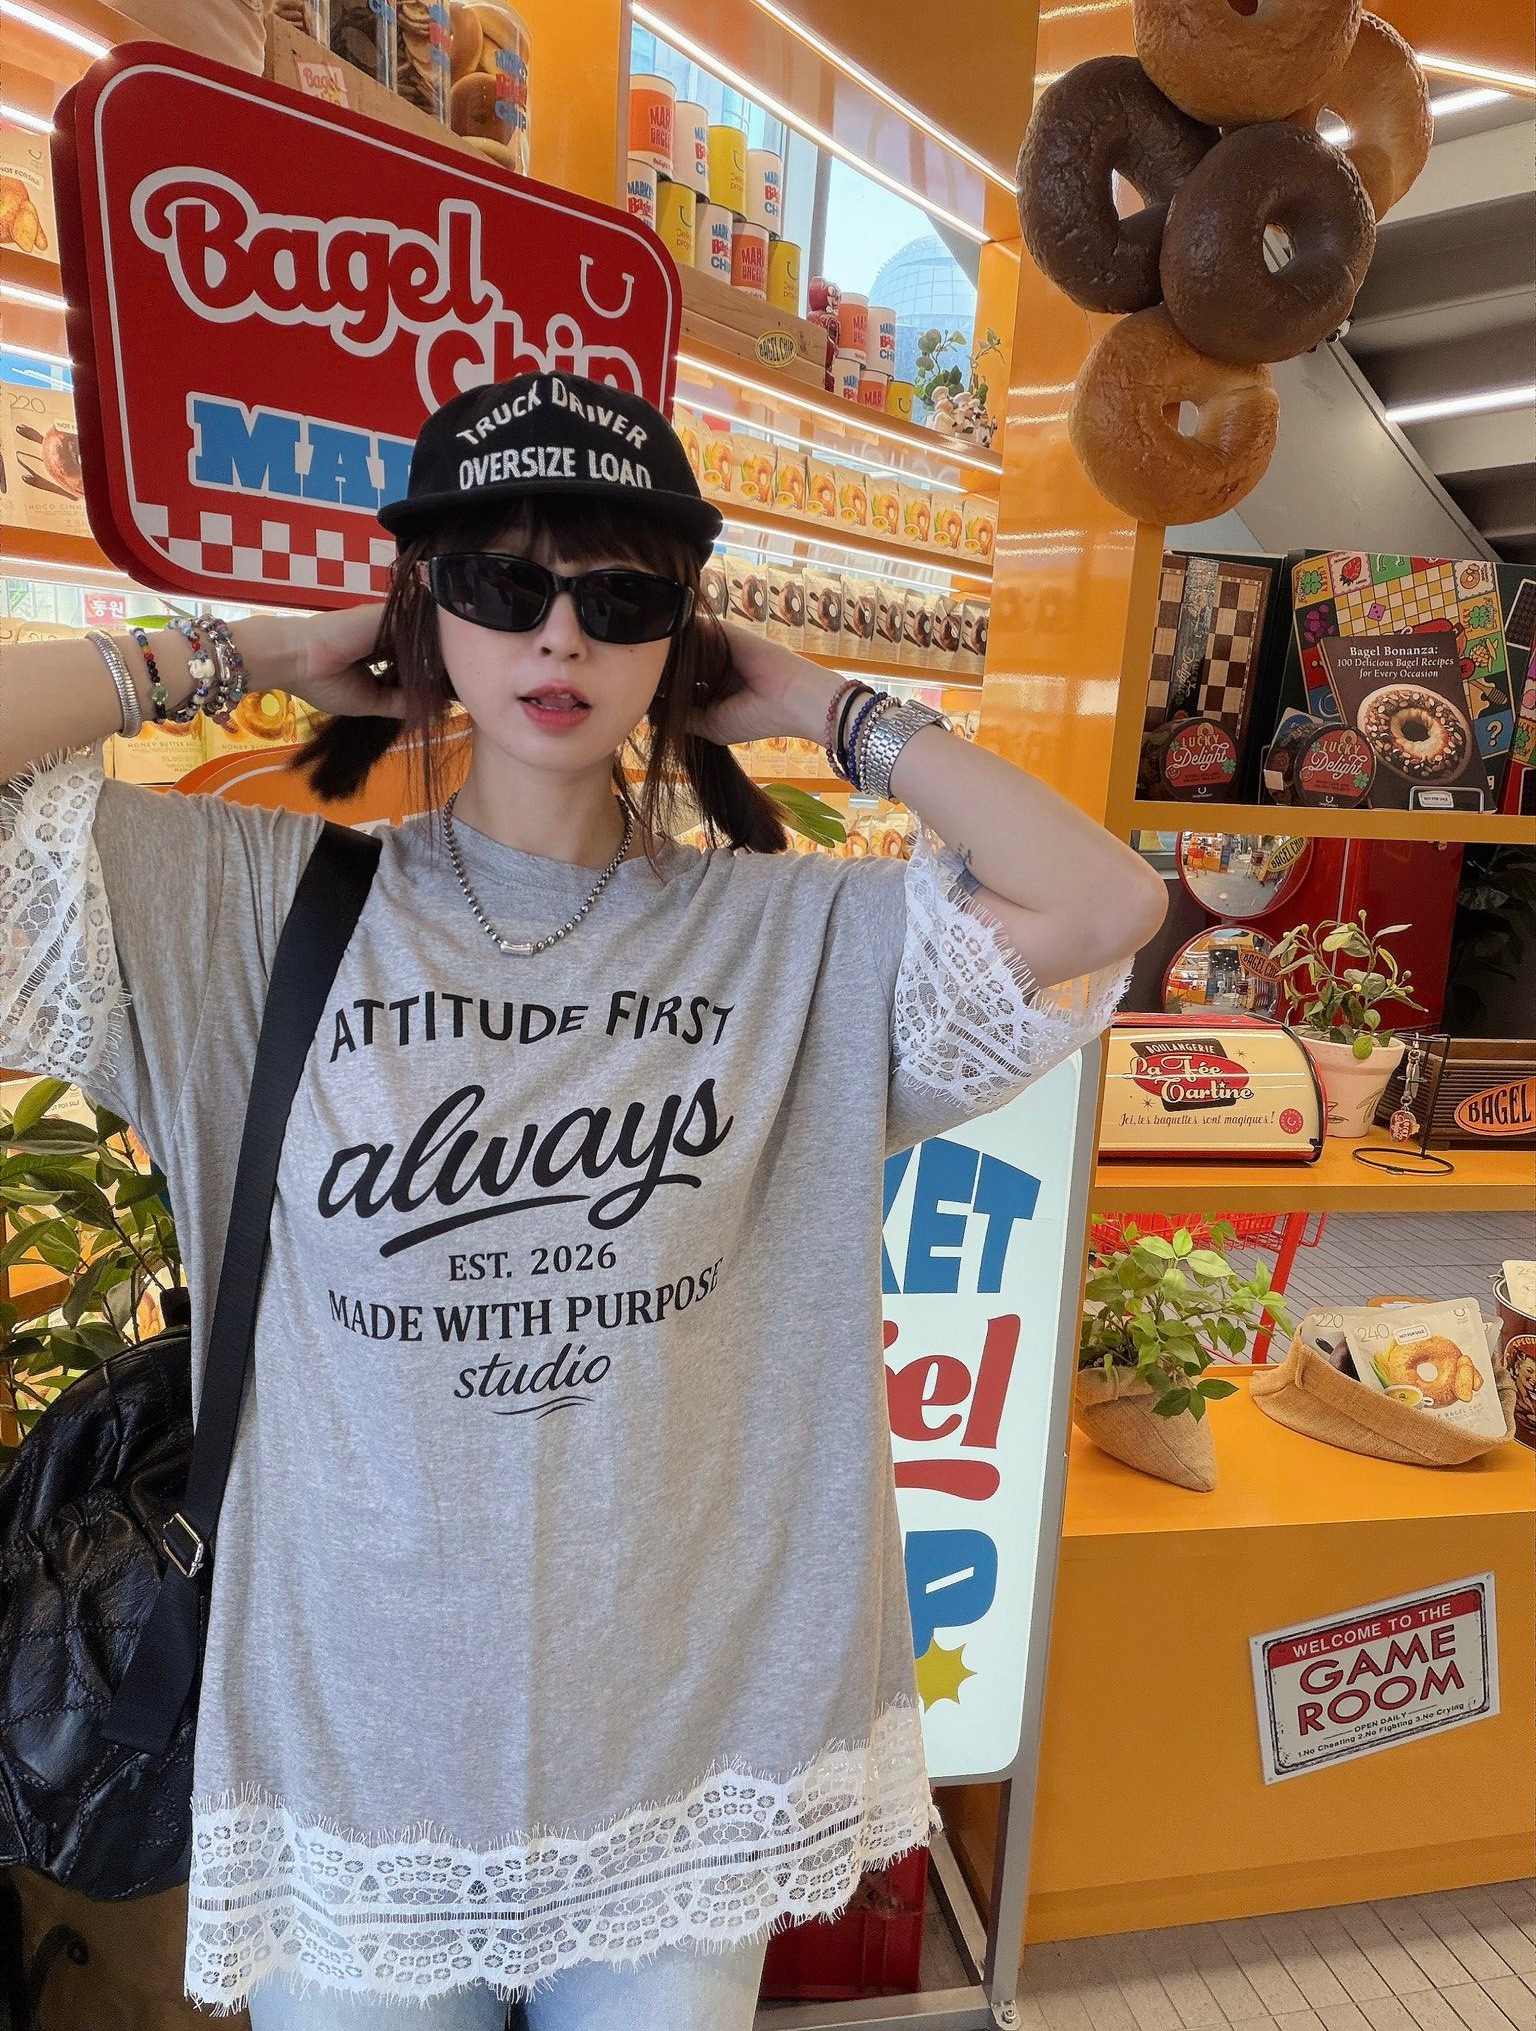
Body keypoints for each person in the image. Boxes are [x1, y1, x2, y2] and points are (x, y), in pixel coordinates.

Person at [0, 374, 1165, 2028]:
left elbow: (1103, 899)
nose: (559, 634)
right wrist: (239, 652)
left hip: (685, 1749)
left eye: (622, 596)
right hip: (359, 1750)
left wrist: (825, 704)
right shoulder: (245, 908)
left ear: (682, 636)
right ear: (423, 605)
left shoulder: (787, 943)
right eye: (501, 581)